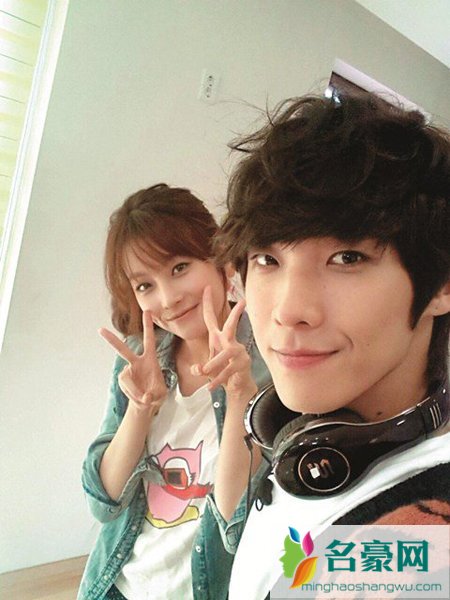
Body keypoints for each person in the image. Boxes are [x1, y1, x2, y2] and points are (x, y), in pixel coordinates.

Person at [215, 93, 450, 599]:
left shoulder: (425, 545)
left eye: (347, 258)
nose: (288, 310)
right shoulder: (313, 439)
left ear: (442, 285)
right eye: (266, 260)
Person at [78, 184, 271, 600]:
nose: (167, 298)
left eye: (179, 267)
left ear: (219, 257)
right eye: (144, 286)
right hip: (116, 586)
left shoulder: (269, 361)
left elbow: (234, 522)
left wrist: (240, 394)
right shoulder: (138, 359)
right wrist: (140, 408)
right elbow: (104, 503)